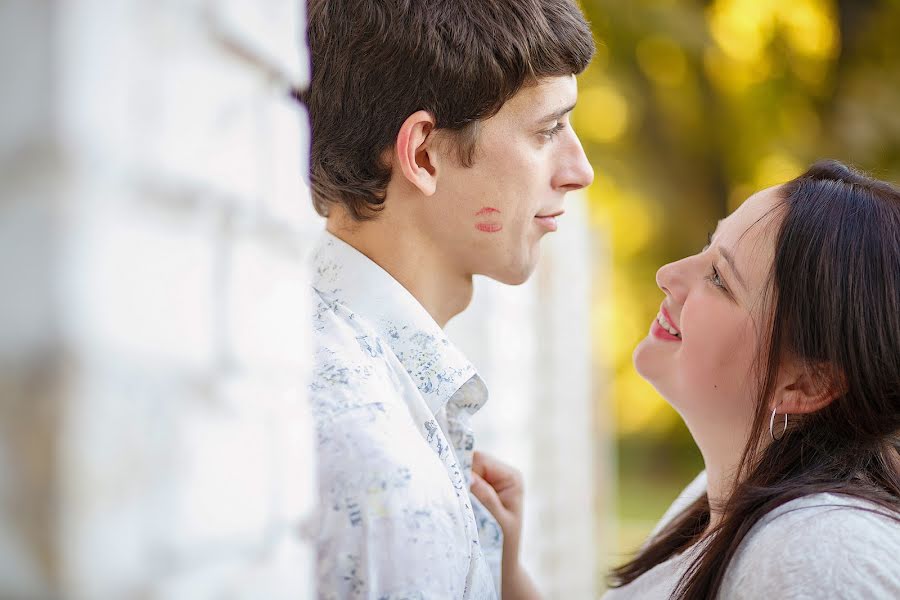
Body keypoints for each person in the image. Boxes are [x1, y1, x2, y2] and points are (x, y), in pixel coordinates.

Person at [471, 160, 900, 599]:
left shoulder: (820, 563)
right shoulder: (722, 498)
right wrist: (509, 573)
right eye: (708, 246)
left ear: (806, 384)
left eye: (719, 278)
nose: (669, 274)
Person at [300, 0, 595, 597]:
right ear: (424, 155)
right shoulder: (380, 471)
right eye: (547, 129)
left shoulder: (332, 361)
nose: (579, 170)